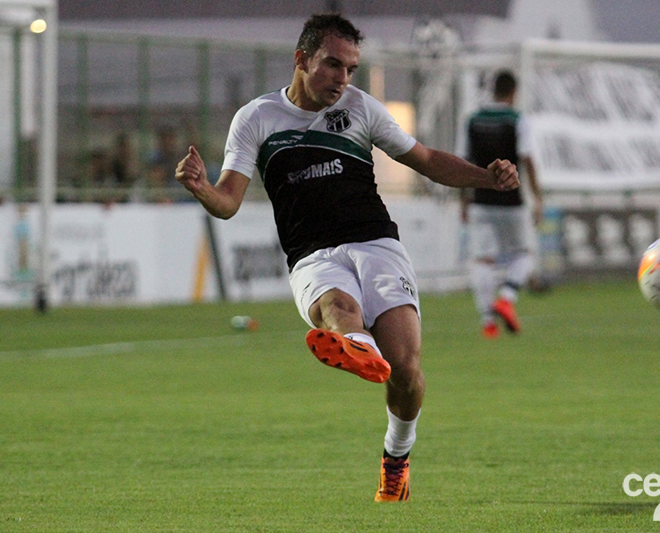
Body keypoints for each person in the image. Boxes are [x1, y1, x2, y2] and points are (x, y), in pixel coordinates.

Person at [175, 13, 519, 502]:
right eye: (332, 65)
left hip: (377, 244)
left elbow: (425, 160)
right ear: (301, 59)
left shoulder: (361, 109)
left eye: (351, 68)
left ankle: (394, 457)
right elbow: (227, 203)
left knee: (407, 371)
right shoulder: (256, 118)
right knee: (338, 310)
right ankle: (356, 345)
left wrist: (487, 178)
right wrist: (202, 189)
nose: (342, 78)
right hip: (312, 255)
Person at [457, 70, 543, 338]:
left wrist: (464, 200)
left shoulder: (472, 121)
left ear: (492, 90)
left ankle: (488, 323)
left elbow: (462, 161)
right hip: (511, 200)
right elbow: (527, 160)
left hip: (480, 200)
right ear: (513, 92)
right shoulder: (517, 120)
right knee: (523, 254)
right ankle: (506, 298)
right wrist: (537, 197)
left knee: (482, 261)